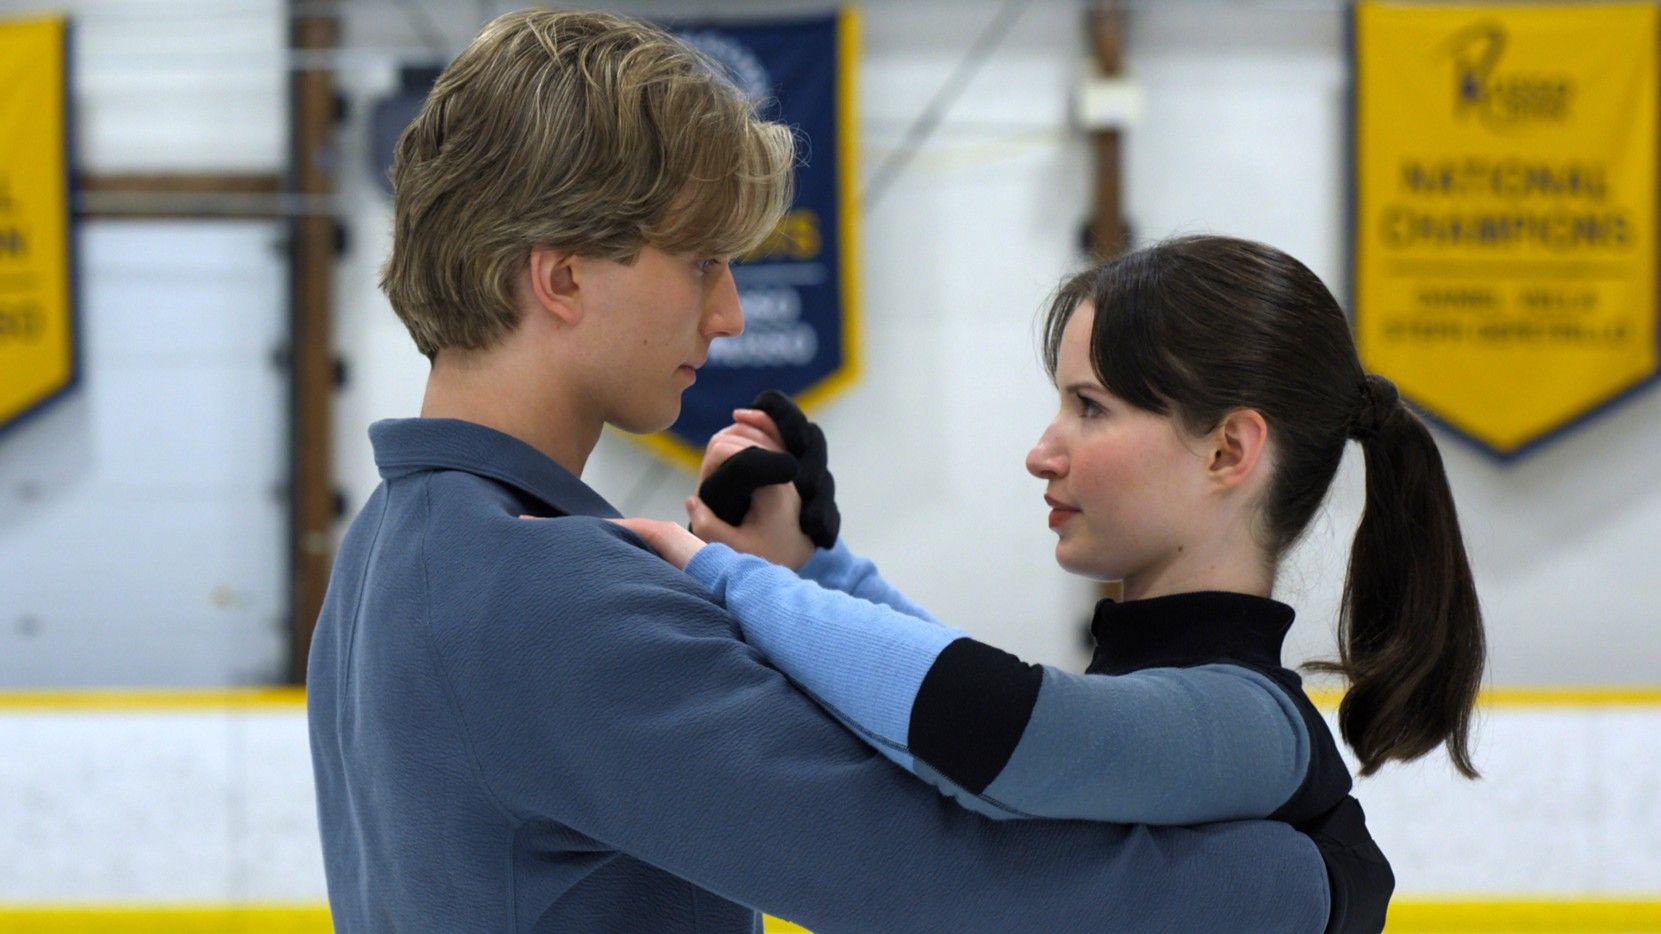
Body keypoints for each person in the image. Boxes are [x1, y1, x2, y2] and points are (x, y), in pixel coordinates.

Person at [306, 8, 1374, 932]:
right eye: (701, 261)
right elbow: (959, 886)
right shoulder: (550, 592)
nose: (725, 313)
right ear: (562, 276)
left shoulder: (387, 555)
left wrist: (811, 573)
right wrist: (1302, 885)